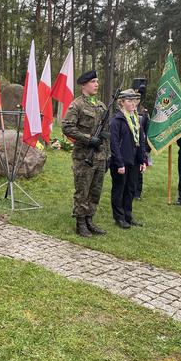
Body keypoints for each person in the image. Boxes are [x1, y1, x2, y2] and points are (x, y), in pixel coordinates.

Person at [62, 70, 111, 237]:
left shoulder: (102, 106)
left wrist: (108, 155)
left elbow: (106, 134)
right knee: (82, 190)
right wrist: (89, 139)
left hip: (100, 156)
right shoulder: (76, 105)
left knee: (95, 190)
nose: (97, 84)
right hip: (84, 157)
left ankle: (90, 219)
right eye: (93, 82)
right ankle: (80, 222)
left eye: (97, 81)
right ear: (84, 85)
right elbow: (67, 127)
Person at [109, 89, 147, 229]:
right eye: (129, 101)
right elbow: (114, 143)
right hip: (121, 161)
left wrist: (142, 160)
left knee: (131, 189)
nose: (133, 103)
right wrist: (119, 163)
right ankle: (119, 217)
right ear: (121, 102)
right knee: (120, 189)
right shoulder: (117, 120)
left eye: (134, 100)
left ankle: (128, 215)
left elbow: (140, 140)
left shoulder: (136, 118)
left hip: (134, 160)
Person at [131, 78, 150, 200]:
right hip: (129, 144)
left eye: (138, 98)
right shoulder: (126, 110)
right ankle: (130, 190)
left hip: (140, 145)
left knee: (139, 169)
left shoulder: (144, 112)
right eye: (134, 98)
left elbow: (148, 131)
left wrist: (147, 148)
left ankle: (137, 192)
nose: (136, 101)